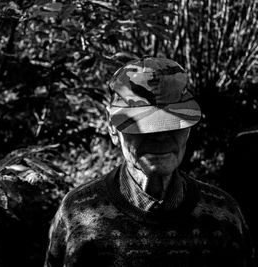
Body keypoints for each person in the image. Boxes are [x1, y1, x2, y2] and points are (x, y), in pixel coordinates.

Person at [44, 57, 255, 267]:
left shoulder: (223, 215)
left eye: (173, 122)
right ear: (112, 127)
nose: (160, 135)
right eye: (143, 125)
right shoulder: (79, 214)